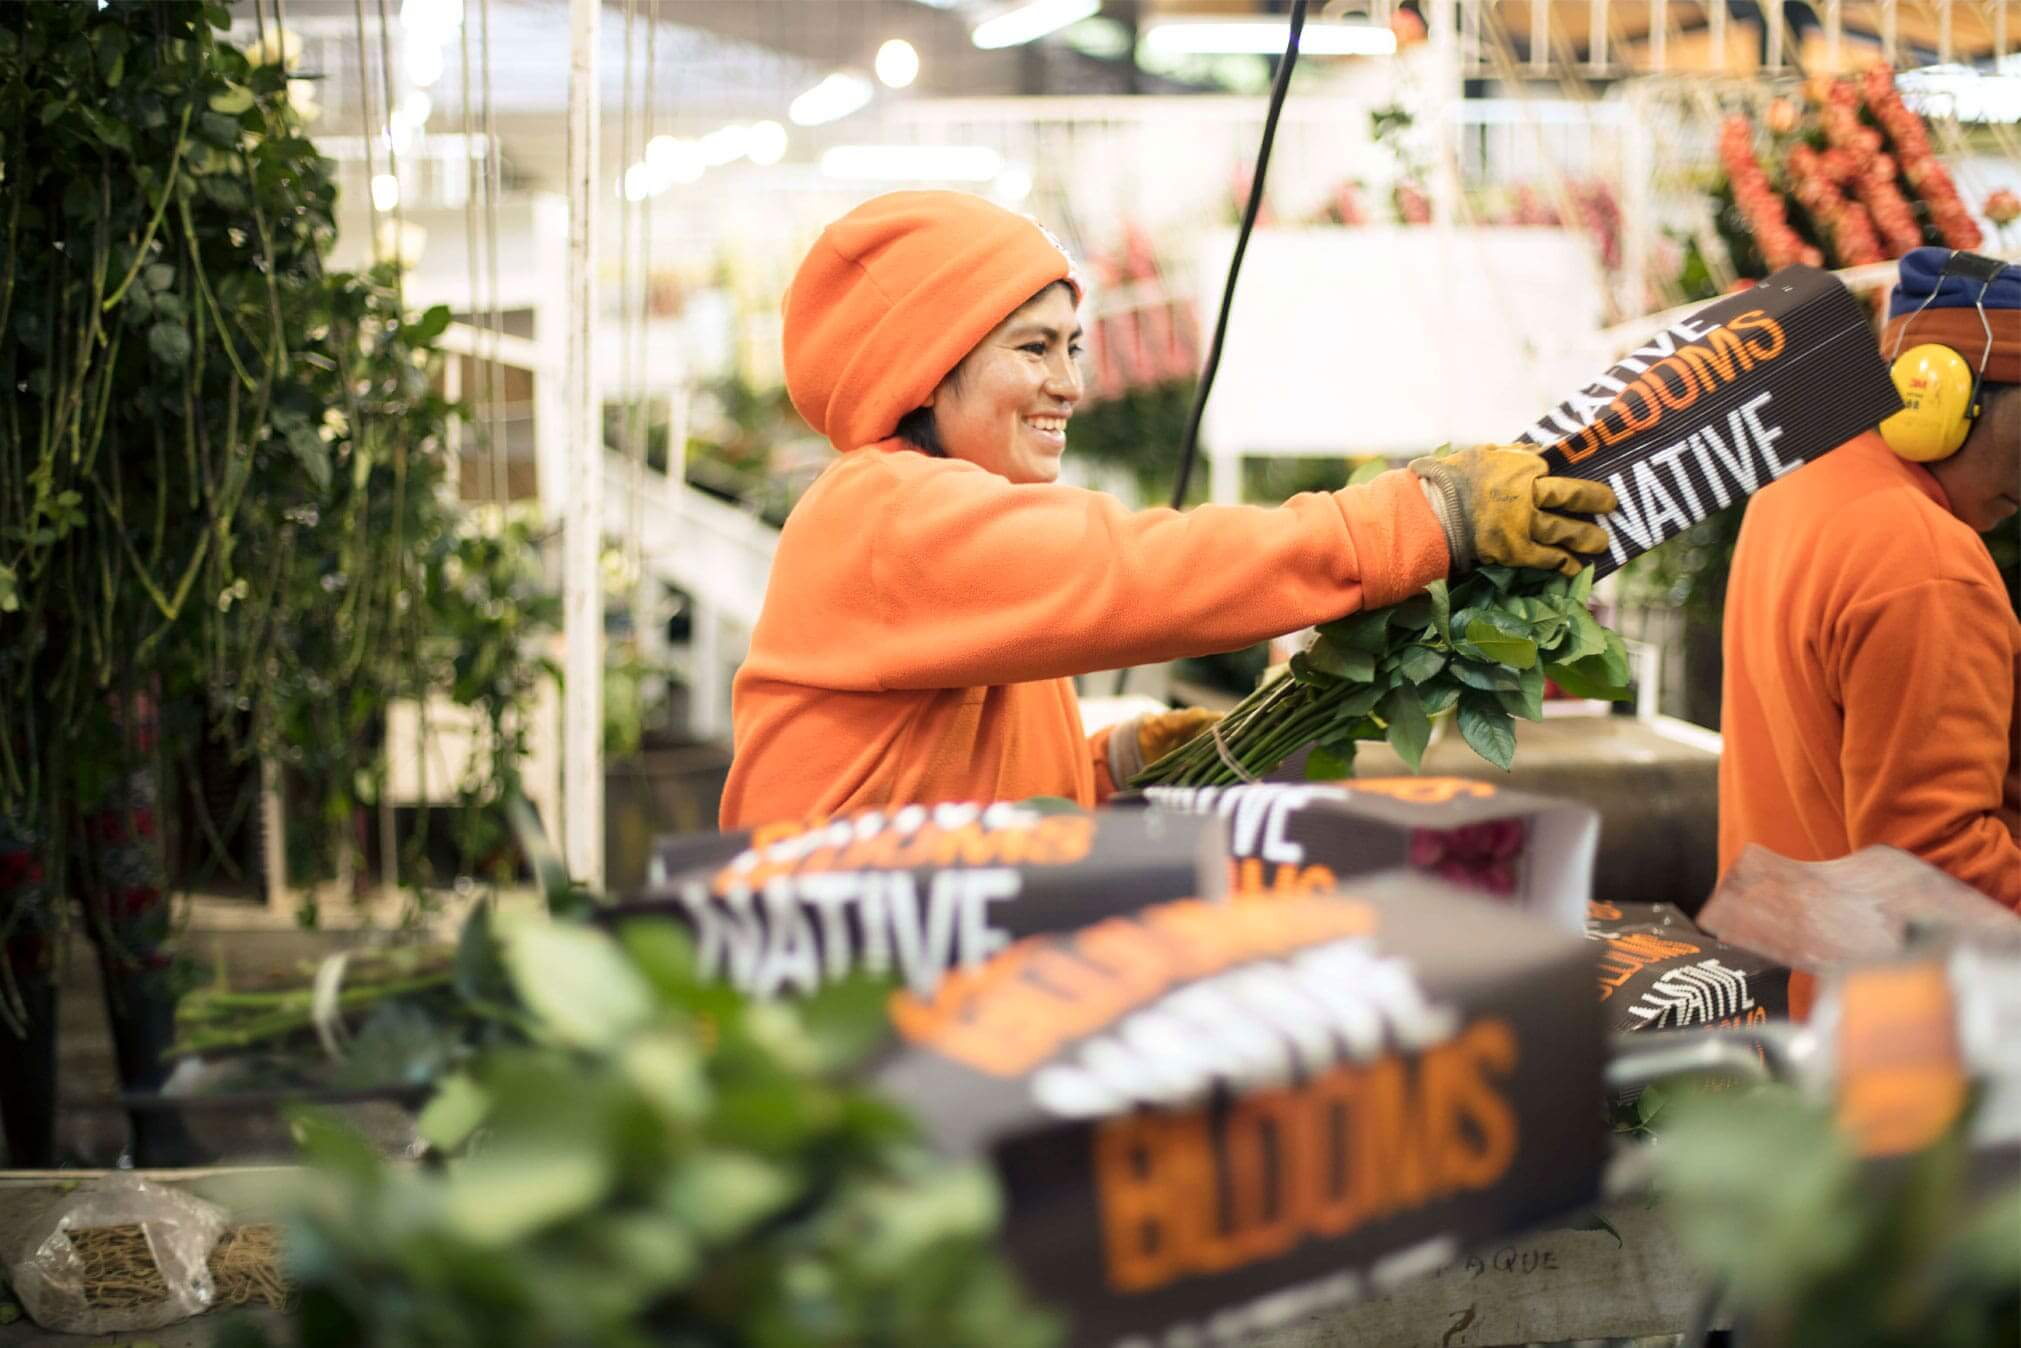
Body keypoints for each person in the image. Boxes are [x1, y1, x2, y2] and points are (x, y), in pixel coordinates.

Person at [719, 191, 1618, 829]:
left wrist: (1111, 765)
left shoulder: (955, 529)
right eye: (1033, 349)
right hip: (830, 1027)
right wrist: (1425, 519)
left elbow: (970, 787)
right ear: (922, 368)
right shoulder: (888, 514)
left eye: (1072, 347)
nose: (1068, 385)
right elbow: (1135, 569)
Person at [1719, 247, 2020, 910]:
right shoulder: (1925, 564)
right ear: (1940, 395)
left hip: (1786, 973)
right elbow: (1937, 868)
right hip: (1895, 1003)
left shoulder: (1798, 487)